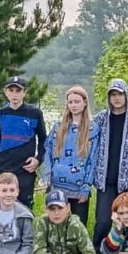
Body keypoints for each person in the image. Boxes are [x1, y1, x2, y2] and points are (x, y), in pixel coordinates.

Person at [92, 78, 128, 253]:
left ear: (126, 95)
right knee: (103, 220)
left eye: (120, 94)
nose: (116, 98)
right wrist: (94, 173)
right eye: (113, 94)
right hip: (105, 180)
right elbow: (91, 145)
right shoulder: (100, 118)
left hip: (127, 182)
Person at [42, 86, 99, 227]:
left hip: (79, 187)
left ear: (85, 103)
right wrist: (47, 176)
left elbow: (93, 159)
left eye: (77, 101)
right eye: (70, 102)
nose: (73, 105)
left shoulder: (92, 129)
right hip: (57, 185)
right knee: (57, 224)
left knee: (78, 226)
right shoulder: (58, 127)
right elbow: (47, 152)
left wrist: (86, 186)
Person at [0, 76, 47, 210]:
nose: (14, 94)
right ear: (6, 92)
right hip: (3, 169)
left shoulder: (34, 113)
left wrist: (38, 160)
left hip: (25, 170)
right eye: (11, 90)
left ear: (24, 92)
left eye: (18, 91)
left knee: (25, 210)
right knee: (2, 210)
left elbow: (44, 141)